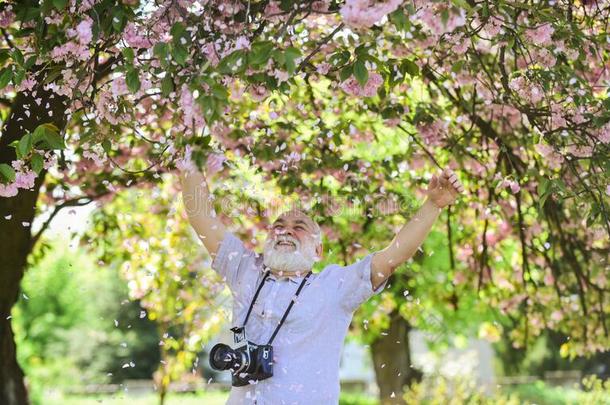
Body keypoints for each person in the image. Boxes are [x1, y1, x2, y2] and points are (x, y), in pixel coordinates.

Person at [179, 166, 464, 405]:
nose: (286, 230)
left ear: (318, 251)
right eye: (279, 225)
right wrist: (190, 155)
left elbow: (392, 257)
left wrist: (433, 205)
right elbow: (202, 218)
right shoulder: (244, 270)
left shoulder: (333, 286)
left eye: (299, 226)